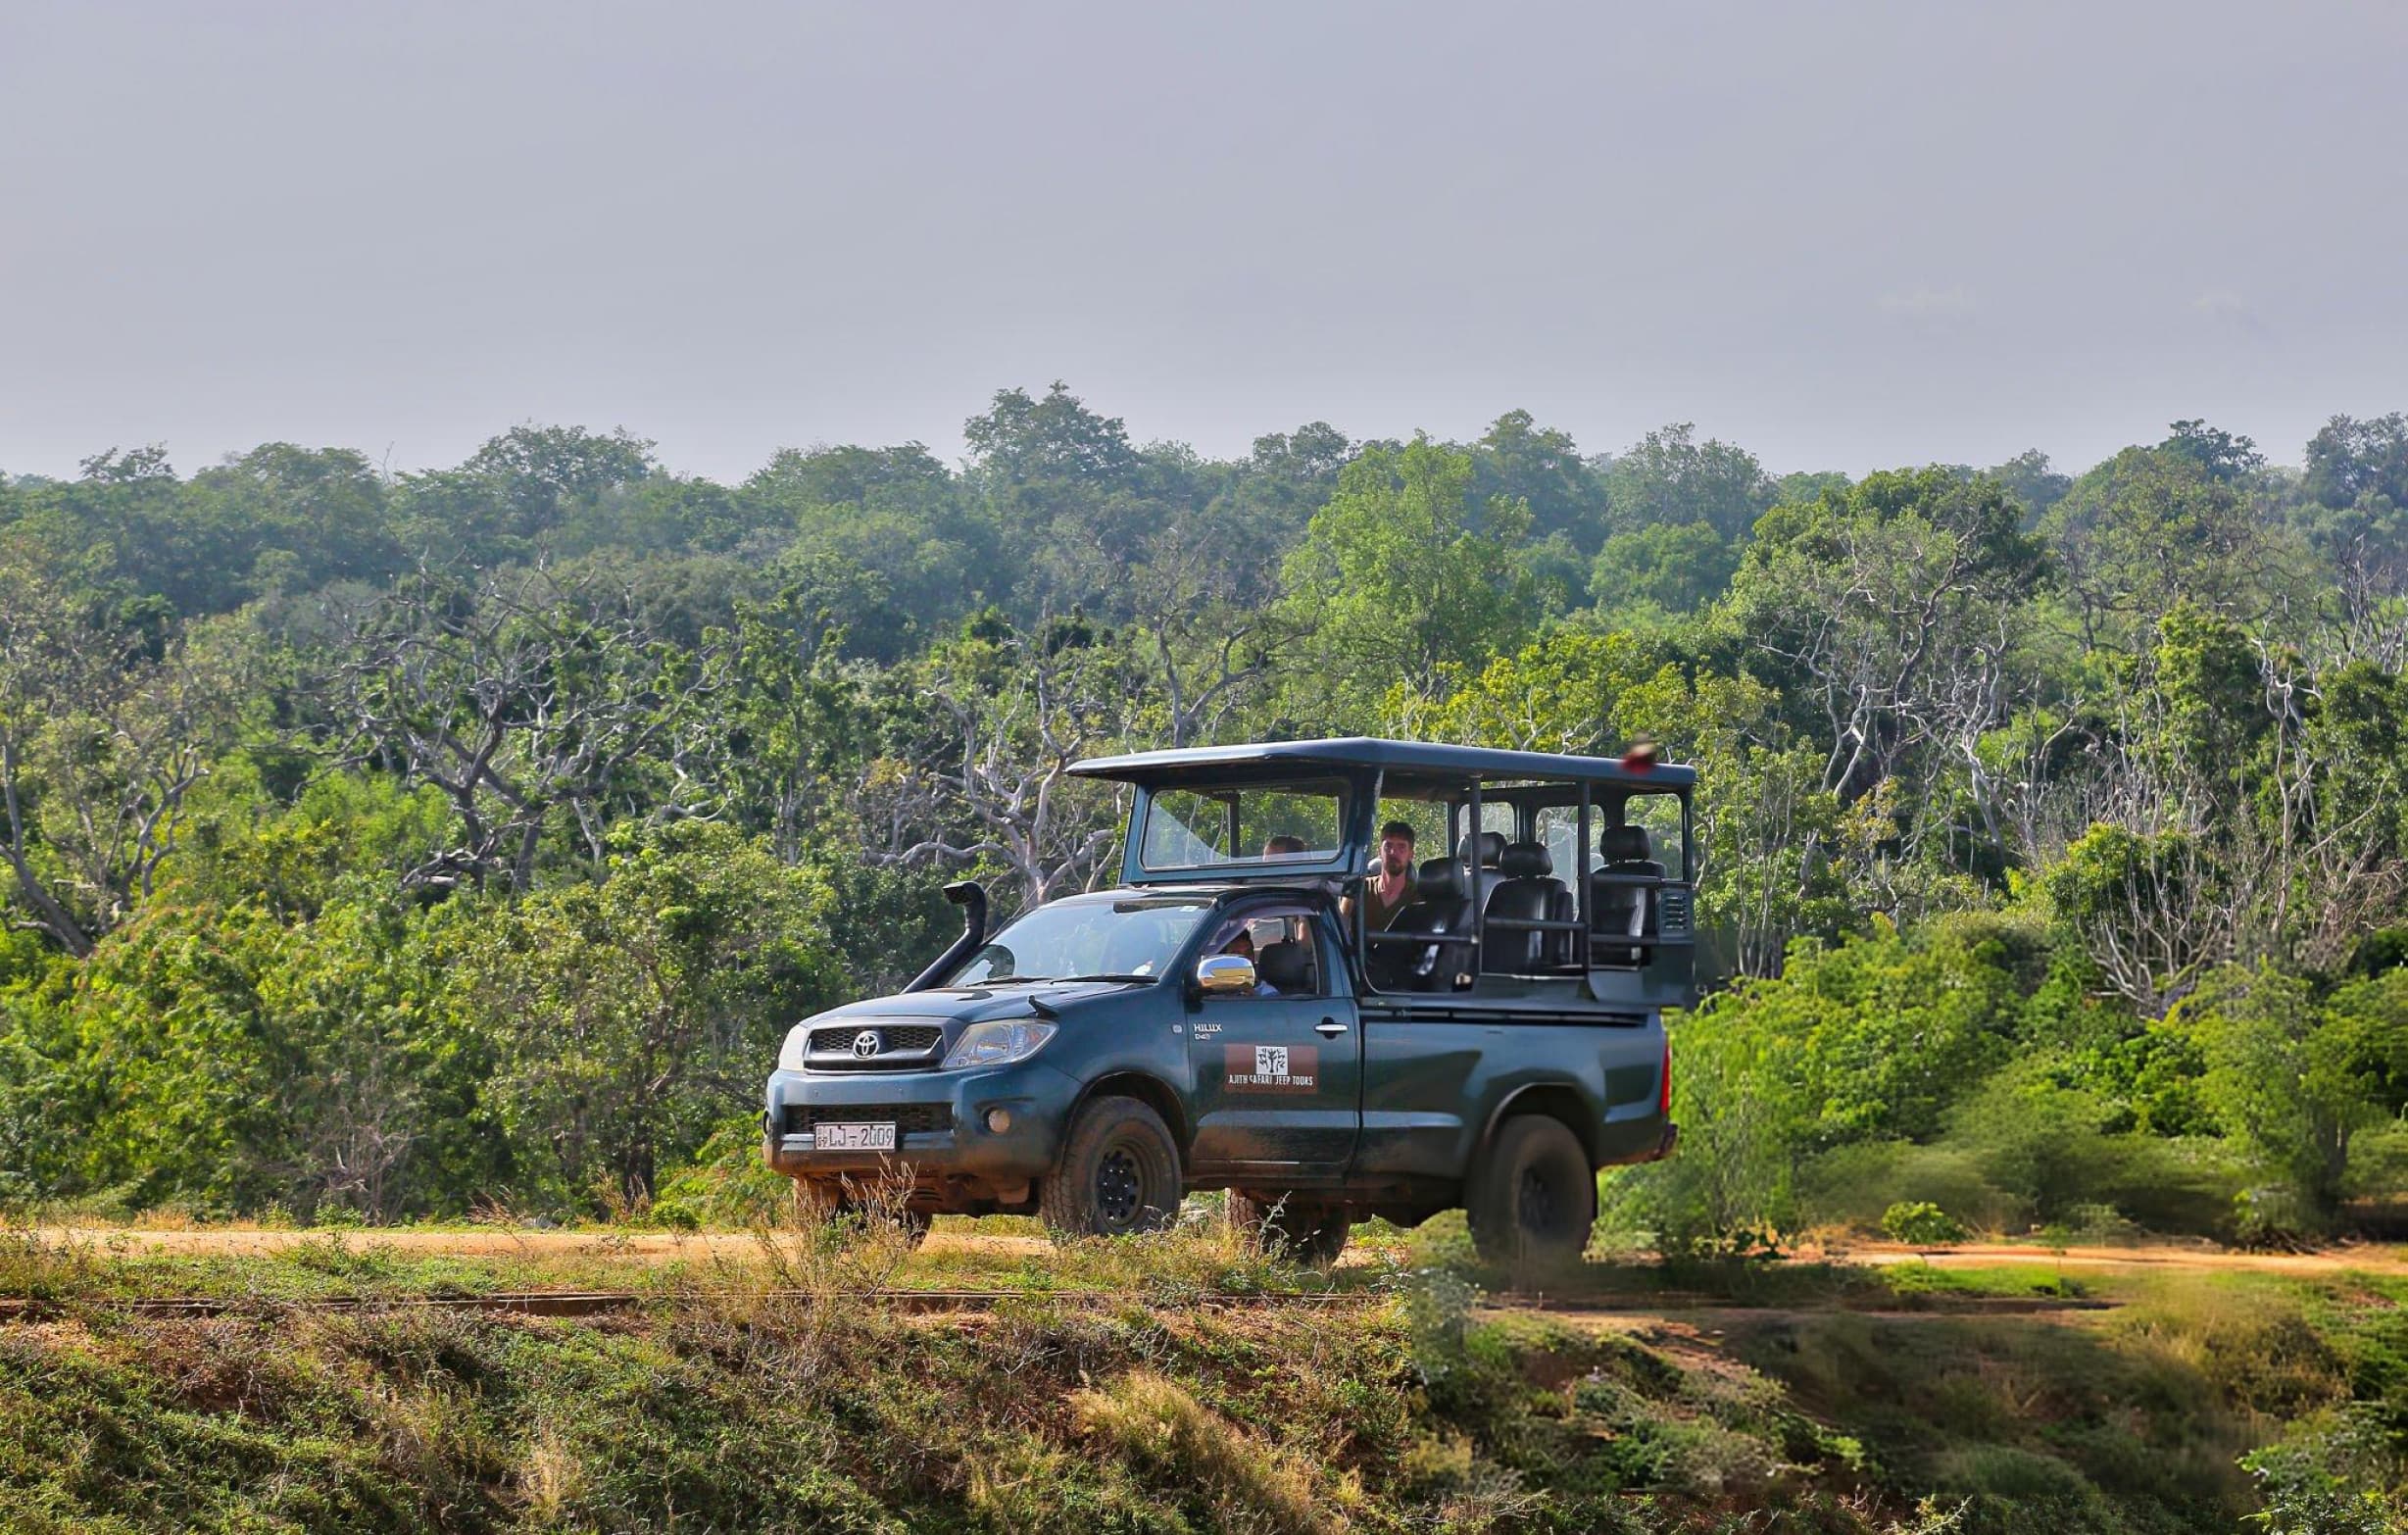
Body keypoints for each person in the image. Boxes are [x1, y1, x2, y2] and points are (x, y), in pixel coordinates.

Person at [1343, 820, 1418, 931]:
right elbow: (1338, 931)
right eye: (1388, 846)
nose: (1393, 852)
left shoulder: (1418, 897)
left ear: (1411, 855)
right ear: (1380, 851)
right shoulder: (1359, 889)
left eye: (1401, 847)